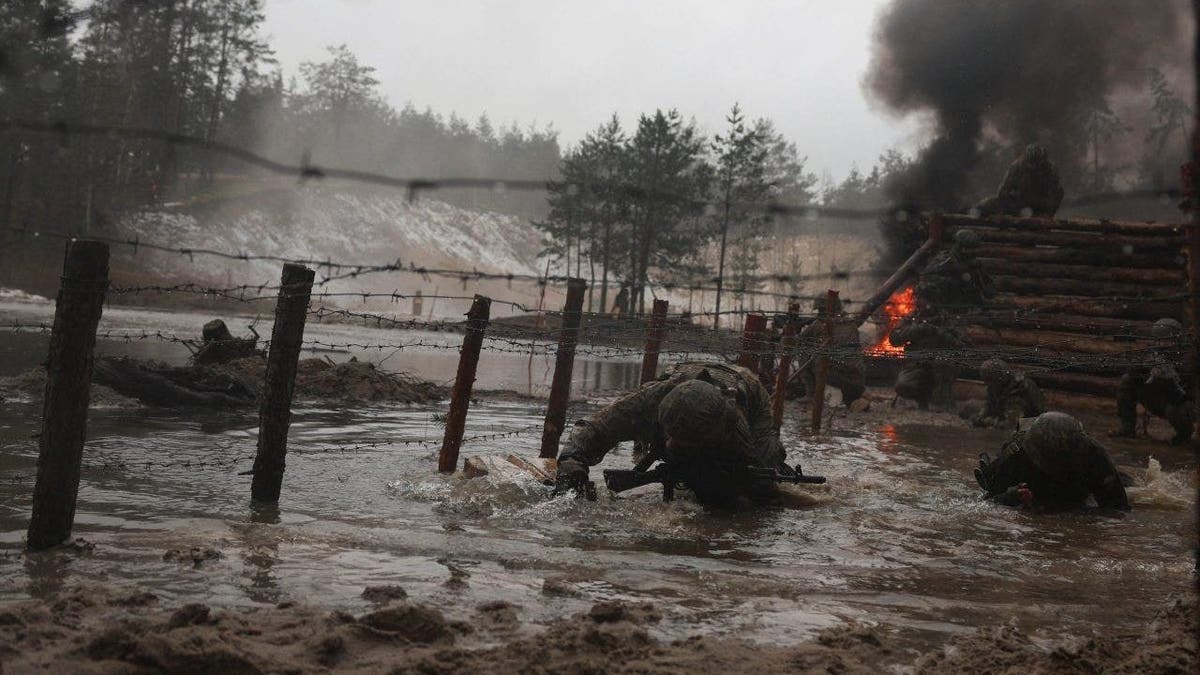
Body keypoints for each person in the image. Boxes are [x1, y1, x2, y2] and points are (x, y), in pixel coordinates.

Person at [553, 362, 789, 508]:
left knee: (764, 470)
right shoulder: (649, 401)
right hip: (681, 377)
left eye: (683, 442)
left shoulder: (735, 425)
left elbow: (757, 492)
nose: (670, 443)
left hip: (746, 386)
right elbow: (594, 429)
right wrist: (572, 464)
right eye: (670, 435)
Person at [974, 412, 1130, 512]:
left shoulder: (1093, 453)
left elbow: (1118, 509)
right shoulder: (1016, 453)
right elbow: (985, 503)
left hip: (1075, 493)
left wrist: (1072, 510)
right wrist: (1011, 497)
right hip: (1037, 491)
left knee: (1127, 483)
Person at [1111, 318, 1194, 445]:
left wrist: (1166, 379)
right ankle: (1127, 427)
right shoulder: (1154, 351)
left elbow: (1184, 390)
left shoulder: (1187, 356)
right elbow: (1133, 372)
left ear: (1176, 338)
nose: (1161, 343)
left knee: (1176, 409)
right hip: (1157, 399)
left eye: (1165, 340)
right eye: (1159, 340)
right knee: (1126, 381)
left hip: (1179, 402)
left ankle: (1184, 435)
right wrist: (1145, 369)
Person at [796, 295, 866, 407]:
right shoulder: (851, 323)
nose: (819, 313)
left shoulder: (819, 325)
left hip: (832, 374)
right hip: (857, 381)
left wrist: (797, 327)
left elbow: (799, 341)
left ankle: (811, 394)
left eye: (820, 310)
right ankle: (853, 398)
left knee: (803, 352)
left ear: (825, 310)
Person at [971, 358, 1045, 429]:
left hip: (1029, 425)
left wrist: (988, 422)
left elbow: (1012, 424)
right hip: (1007, 419)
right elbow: (988, 406)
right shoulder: (995, 387)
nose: (987, 383)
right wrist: (979, 418)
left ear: (999, 378)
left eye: (989, 379)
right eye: (986, 380)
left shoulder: (1018, 389)